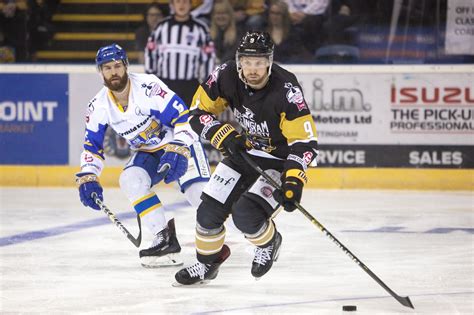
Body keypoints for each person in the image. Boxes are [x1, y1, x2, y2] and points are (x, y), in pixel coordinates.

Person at [174, 31, 318, 285]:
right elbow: (196, 111)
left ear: (269, 62)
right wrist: (221, 133)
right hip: (245, 150)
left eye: (259, 62)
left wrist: (294, 181)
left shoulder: (287, 90)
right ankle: (208, 263)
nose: (253, 69)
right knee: (208, 212)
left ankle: (269, 242)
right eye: (248, 62)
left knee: (246, 216)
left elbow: (304, 143)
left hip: (278, 161)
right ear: (239, 60)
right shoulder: (225, 74)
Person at [76, 43, 211, 268]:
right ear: (100, 72)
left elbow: (183, 118)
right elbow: (92, 147)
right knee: (130, 179)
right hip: (148, 152)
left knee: (201, 198)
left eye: (118, 66)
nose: (113, 72)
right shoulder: (98, 106)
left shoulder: (149, 87)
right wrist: (88, 176)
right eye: (107, 68)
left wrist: (178, 147)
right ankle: (163, 237)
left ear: (126, 66)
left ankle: (249, 229)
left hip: (179, 144)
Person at [145, 0, 215, 108]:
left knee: (188, 121)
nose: (181, 5)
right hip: (164, 85)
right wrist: (152, 80)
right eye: (178, 1)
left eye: (185, 2)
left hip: (190, 85)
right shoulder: (161, 27)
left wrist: (206, 85)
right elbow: (150, 52)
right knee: (165, 121)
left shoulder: (201, 29)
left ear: (190, 4)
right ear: (172, 5)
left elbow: (209, 57)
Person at [209, 0, 241, 64]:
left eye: (224, 13)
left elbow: (232, 54)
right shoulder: (208, 34)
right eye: (217, 13)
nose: (220, 16)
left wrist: (220, 64)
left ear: (230, 15)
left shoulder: (238, 32)